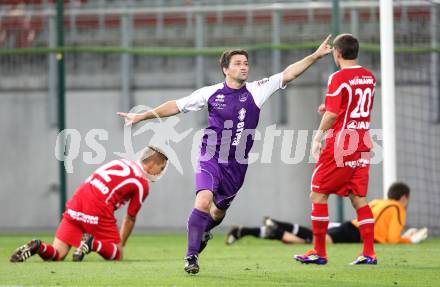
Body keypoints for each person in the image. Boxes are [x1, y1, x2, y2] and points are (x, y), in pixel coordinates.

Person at [117, 36, 333, 274]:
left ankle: (204, 231)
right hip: (210, 155)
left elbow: (288, 74)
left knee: (218, 212)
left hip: (237, 165)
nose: (244, 67)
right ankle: (191, 256)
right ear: (225, 69)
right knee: (203, 200)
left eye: (246, 63)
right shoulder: (211, 93)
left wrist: (315, 56)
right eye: (238, 63)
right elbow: (176, 105)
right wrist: (142, 116)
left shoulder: (256, 90)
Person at [294, 33, 378, 266]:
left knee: (318, 193)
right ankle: (369, 253)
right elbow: (352, 107)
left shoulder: (338, 77)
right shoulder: (369, 77)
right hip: (363, 140)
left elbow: (332, 115)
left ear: (337, 53)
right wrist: (331, 108)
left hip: (342, 142)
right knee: (358, 197)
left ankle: (320, 252)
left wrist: (317, 137)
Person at [10, 146, 168, 263]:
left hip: (76, 203)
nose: (159, 173)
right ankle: (93, 244)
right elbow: (130, 218)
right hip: (98, 209)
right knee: (117, 254)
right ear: (152, 163)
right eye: (160, 168)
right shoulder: (141, 183)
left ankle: (38, 247)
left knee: (58, 254)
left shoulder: (120, 162)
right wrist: (121, 245)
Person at [226, 182, 428, 245]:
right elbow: (391, 238)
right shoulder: (397, 207)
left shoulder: (379, 201)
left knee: (312, 236)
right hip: (357, 233)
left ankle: (263, 227)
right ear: (403, 198)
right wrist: (409, 240)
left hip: (352, 226)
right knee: (316, 241)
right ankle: (276, 230)